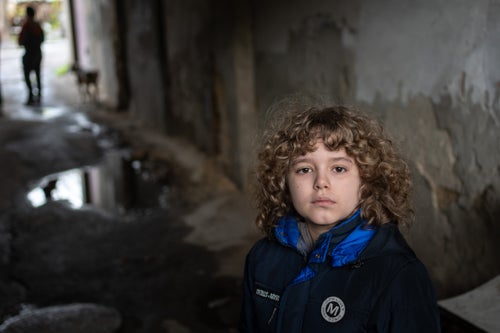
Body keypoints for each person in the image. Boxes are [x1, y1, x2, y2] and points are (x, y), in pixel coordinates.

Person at [239, 101, 441, 332]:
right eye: (304, 169)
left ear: (367, 180)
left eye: (339, 169)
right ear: (284, 181)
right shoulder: (261, 258)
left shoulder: (400, 275)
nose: (321, 183)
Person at [18, 6, 44, 105]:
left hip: (29, 54)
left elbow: (20, 41)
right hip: (37, 53)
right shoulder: (37, 26)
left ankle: (30, 96)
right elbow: (42, 39)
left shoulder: (26, 26)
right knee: (37, 75)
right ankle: (39, 95)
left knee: (27, 76)